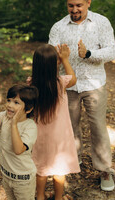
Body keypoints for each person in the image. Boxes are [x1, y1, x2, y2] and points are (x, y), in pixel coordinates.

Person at [48, 0, 115, 191]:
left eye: (79, 5)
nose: (75, 9)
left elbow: (112, 51)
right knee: (70, 127)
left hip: (94, 83)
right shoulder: (58, 27)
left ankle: (105, 169)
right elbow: (51, 58)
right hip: (67, 86)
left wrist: (88, 54)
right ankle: (72, 163)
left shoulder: (101, 22)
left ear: (88, 2)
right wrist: (57, 62)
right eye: (71, 5)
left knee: (98, 127)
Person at [29, 44, 80, 200]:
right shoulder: (61, 82)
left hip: (39, 136)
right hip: (59, 137)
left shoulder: (31, 84)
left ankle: (40, 196)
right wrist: (64, 59)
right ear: (55, 64)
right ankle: (58, 197)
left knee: (40, 168)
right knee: (59, 170)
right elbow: (73, 77)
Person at [0, 84, 39, 200]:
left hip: (23, 180)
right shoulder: (5, 116)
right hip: (6, 175)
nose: (10, 105)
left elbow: (18, 150)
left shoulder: (30, 127)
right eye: (9, 100)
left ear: (29, 109)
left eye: (16, 103)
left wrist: (14, 124)